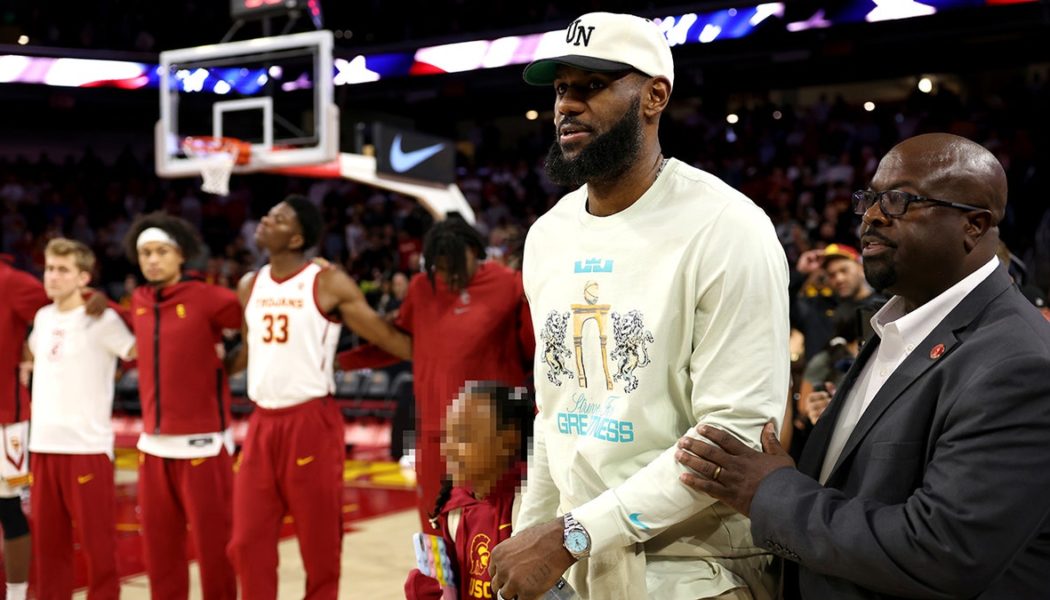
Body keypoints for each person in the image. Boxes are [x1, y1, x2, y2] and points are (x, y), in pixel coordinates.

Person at [488, 12, 790, 600]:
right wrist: (536, 532)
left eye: (592, 86)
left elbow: (733, 437)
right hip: (576, 557)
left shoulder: (728, 227)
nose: (567, 106)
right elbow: (557, 412)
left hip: (696, 566)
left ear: (655, 95)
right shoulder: (547, 236)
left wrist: (570, 534)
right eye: (561, 89)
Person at [675, 133, 1050, 599]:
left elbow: (942, 551)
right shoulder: (900, 321)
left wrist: (771, 493)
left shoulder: (1019, 362)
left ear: (973, 225)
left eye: (899, 200)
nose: (871, 216)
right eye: (870, 198)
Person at [226, 195, 412, 600]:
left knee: (319, 545)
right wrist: (210, 374)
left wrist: (434, 353)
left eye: (276, 218)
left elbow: (383, 336)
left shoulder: (326, 281)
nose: (264, 219)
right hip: (261, 423)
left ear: (295, 238)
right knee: (245, 541)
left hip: (310, 421)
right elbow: (246, 351)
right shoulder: (248, 284)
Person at [338, 217, 534, 532]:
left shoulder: (509, 283)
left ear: (474, 251)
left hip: (490, 434)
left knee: (492, 527)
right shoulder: (421, 288)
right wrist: (342, 361)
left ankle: (488, 584)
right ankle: (438, 584)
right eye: (440, 268)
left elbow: (532, 348)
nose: (448, 276)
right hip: (433, 431)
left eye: (455, 266)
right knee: (433, 528)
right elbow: (397, 341)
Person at [121, 212, 241, 600]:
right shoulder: (138, 301)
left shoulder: (210, 298)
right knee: (160, 553)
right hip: (152, 448)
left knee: (214, 550)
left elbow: (257, 319)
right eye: (145, 253)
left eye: (161, 251)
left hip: (204, 447)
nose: (152, 260)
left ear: (181, 255)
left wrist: (233, 363)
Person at [25, 238, 136, 600]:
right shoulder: (42, 318)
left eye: (62, 270)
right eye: (49, 268)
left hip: (86, 448)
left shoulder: (102, 318)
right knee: (48, 548)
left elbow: (137, 349)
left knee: (98, 548)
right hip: (42, 446)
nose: (52, 276)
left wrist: (118, 307)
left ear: (83, 278)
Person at [405, 381, 532, 600]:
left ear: (508, 440)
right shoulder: (455, 509)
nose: (448, 448)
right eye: (447, 436)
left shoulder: (529, 506)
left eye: (463, 436)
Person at [0, 255, 48, 600]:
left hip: (5, 424)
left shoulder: (12, 281)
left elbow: (65, 308)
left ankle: (16, 595)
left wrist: (33, 353)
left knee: (9, 507)